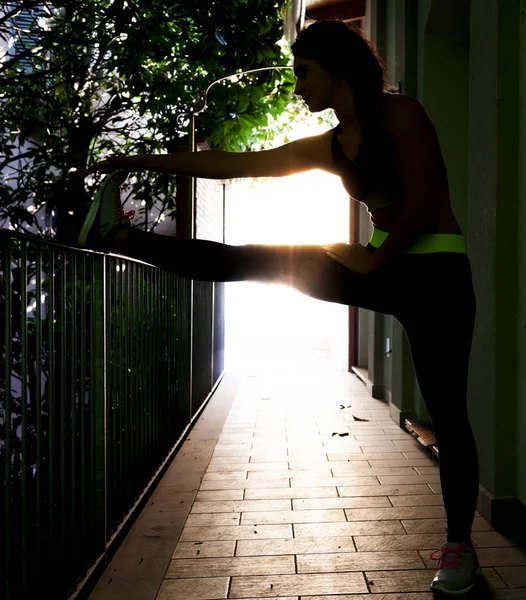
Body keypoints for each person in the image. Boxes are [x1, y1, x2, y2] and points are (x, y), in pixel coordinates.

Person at [80, 19, 481, 595]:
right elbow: (237, 164)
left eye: (304, 73)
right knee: (259, 259)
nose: (298, 88)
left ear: (335, 69)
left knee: (448, 414)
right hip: (377, 264)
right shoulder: (333, 144)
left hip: (436, 273)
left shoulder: (403, 115)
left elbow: (420, 202)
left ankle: (459, 546)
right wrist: (140, 161)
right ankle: (124, 241)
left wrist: (373, 261)